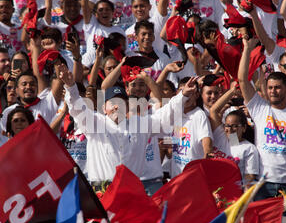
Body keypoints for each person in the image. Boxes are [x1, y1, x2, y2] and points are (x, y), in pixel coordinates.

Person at [60, 63, 200, 192]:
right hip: (102, 191)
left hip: (131, 190)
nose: (116, 106)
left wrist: (183, 95)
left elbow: (165, 115)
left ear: (127, 106)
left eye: (121, 102)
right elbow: (78, 109)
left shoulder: (140, 125)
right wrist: (71, 87)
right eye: (112, 102)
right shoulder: (95, 123)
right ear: (104, 107)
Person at [238, 36, 286, 200]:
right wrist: (246, 49)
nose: (273, 91)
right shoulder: (260, 109)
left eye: (278, 88)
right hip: (263, 184)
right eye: (270, 88)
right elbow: (242, 80)